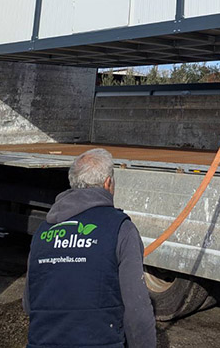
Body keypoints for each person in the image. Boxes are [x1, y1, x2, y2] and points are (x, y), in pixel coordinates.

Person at [23, 148, 157, 348]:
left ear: (73, 183)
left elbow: (28, 304)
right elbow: (136, 310)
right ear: (108, 183)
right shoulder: (121, 229)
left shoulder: (43, 231)